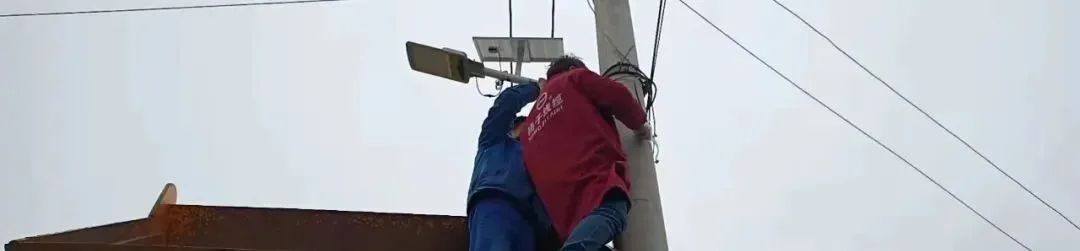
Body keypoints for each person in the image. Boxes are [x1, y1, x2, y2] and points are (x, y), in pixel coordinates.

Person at [521, 55, 651, 251]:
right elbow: (617, 95)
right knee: (602, 223)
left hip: (564, 215)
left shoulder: (528, 127)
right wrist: (640, 125)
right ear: (573, 67)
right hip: (598, 187)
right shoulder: (575, 78)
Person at [467, 81, 555, 251]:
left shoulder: (539, 160)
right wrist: (537, 89)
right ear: (512, 128)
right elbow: (507, 103)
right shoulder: (494, 138)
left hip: (529, 223)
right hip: (495, 205)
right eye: (528, 126)